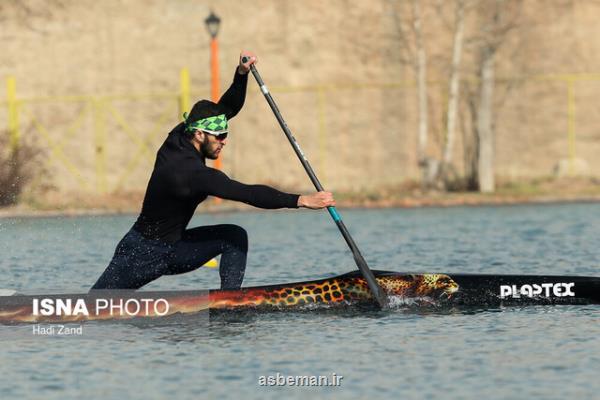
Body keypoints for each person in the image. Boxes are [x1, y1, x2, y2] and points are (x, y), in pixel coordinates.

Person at [91, 51, 335, 291]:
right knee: (90, 308)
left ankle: (228, 302)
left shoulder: (182, 132)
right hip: (141, 254)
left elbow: (227, 107)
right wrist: (301, 200)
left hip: (173, 248)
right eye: (220, 136)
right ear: (199, 134)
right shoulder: (190, 173)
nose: (224, 141)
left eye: (225, 134)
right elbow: (246, 193)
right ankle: (228, 304)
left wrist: (241, 74)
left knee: (234, 237)